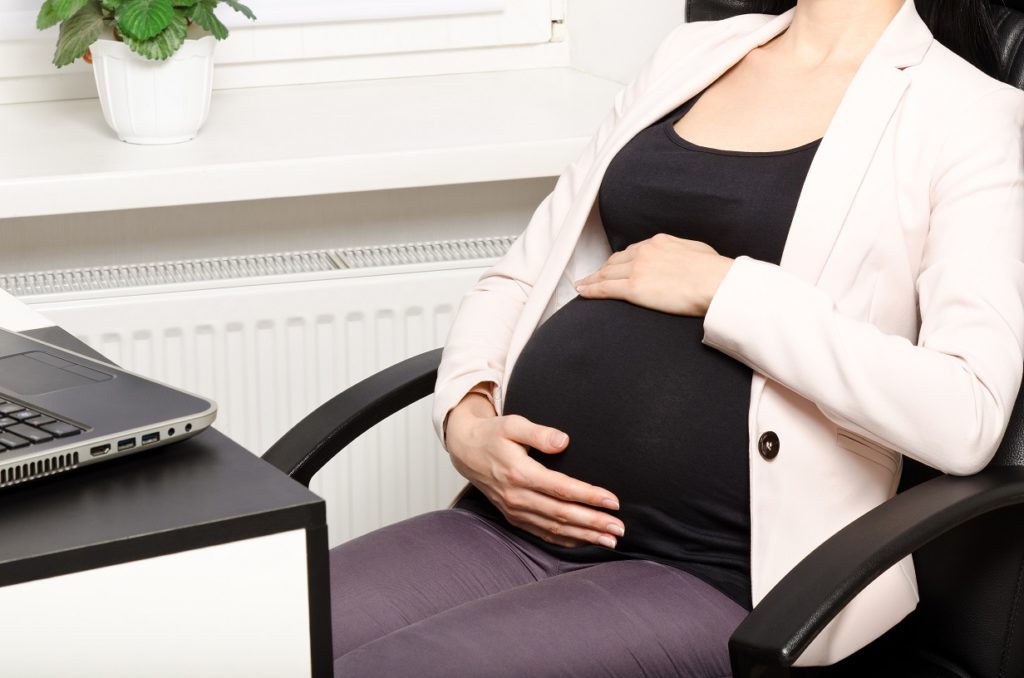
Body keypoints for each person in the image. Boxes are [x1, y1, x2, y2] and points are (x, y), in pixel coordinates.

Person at [330, 0, 1024, 675]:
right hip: (514, 518)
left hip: (717, 568)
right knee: (274, 622)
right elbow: (522, 276)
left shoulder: (966, 112)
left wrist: (726, 288)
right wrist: (467, 419)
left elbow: (966, 411)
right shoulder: (692, 54)